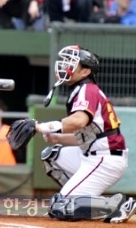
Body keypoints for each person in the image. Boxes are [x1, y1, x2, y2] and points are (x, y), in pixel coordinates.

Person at [37, 45, 136, 223]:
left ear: (85, 72)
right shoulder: (81, 90)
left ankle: (120, 205)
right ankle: (78, 198)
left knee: (61, 207)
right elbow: (86, 137)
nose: (66, 65)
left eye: (72, 63)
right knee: (51, 156)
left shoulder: (87, 89)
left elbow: (79, 121)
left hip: (105, 160)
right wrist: (58, 137)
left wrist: (43, 127)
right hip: (91, 155)